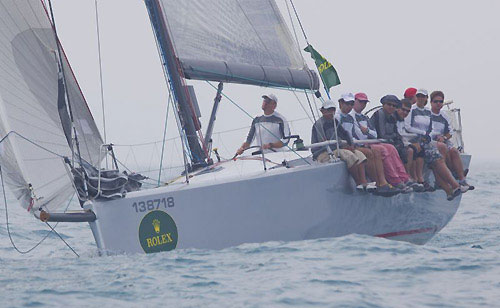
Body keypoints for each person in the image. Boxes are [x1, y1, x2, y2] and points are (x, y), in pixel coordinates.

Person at [382, 92, 462, 200]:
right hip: (408, 143)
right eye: (418, 96)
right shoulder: (394, 116)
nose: (404, 112)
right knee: (422, 153)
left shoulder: (424, 113)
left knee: (436, 155)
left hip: (419, 141)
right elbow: (402, 132)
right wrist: (421, 136)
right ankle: (412, 179)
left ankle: (452, 184)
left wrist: (427, 135)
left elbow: (431, 128)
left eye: (423, 96)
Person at [351, 93, 421, 192]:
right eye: (389, 104)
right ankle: (393, 181)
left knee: (394, 148)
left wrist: (368, 132)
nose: (391, 107)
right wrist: (368, 132)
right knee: (384, 149)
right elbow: (380, 134)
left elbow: (375, 133)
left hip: (374, 141)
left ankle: (404, 178)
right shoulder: (378, 114)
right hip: (367, 143)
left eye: (394, 105)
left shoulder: (365, 117)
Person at [311, 99, 369, 191]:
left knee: (360, 155)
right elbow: (323, 143)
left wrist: (351, 145)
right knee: (349, 155)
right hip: (323, 153)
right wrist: (344, 147)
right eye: (328, 110)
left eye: (333, 110)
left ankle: (364, 182)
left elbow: (345, 134)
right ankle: (358, 183)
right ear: (322, 111)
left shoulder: (335, 122)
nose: (331, 112)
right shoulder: (319, 124)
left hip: (336, 149)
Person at [336, 93, 388, 193]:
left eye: (351, 104)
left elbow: (353, 134)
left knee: (371, 153)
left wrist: (353, 142)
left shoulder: (352, 118)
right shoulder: (338, 117)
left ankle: (374, 183)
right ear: (341, 103)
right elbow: (338, 135)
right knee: (367, 153)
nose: (349, 106)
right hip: (344, 146)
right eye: (347, 103)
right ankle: (369, 182)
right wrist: (348, 144)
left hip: (352, 145)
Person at [429, 90, 474, 190]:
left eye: (440, 101)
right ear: (431, 102)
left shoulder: (444, 116)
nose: (438, 104)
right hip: (430, 140)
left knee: (454, 151)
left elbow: (450, 132)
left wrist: (444, 137)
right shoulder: (427, 114)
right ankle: (451, 174)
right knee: (443, 148)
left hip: (442, 140)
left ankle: (462, 179)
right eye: (436, 101)